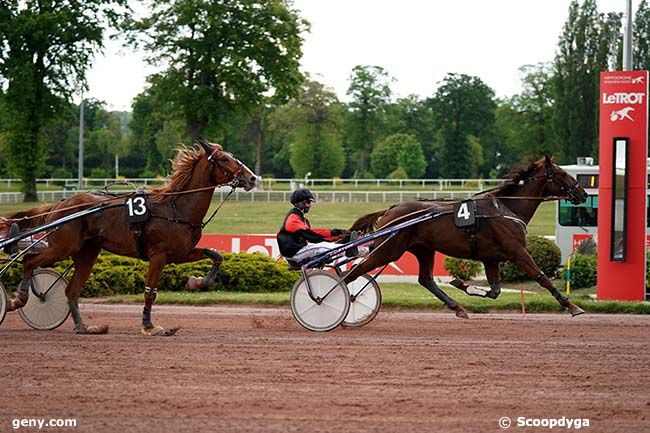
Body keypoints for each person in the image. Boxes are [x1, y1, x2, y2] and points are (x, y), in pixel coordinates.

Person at [277, 188, 364, 264]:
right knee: (322, 246)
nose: (310, 205)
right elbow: (310, 236)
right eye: (308, 202)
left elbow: (315, 232)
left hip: (299, 251)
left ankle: (356, 248)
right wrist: (332, 238)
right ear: (299, 203)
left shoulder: (302, 219)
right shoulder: (292, 218)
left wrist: (338, 233)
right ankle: (361, 251)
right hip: (295, 254)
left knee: (326, 246)